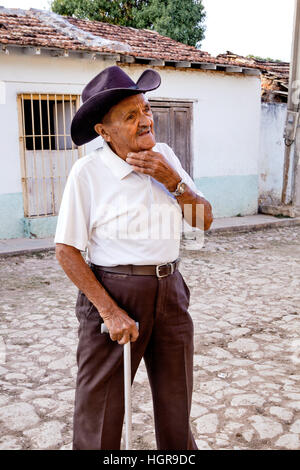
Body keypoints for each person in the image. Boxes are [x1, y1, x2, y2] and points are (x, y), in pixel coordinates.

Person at [54, 65, 213, 450]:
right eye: (130, 115)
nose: (145, 121)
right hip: (115, 293)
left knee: (177, 405)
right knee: (101, 415)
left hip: (171, 291)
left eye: (145, 109)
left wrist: (172, 181)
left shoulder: (165, 155)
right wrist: (109, 312)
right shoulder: (87, 173)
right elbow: (67, 251)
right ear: (103, 131)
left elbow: (203, 221)